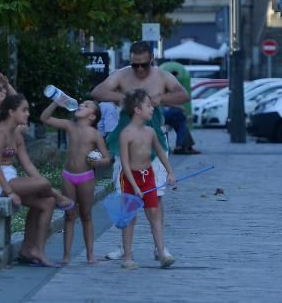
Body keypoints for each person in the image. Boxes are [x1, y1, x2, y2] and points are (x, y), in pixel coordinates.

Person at [91, 41, 189, 262]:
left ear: (151, 59)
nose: (139, 70)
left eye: (144, 65)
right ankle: (125, 247)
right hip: (126, 140)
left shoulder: (162, 76)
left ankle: (159, 248)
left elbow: (183, 95)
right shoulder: (123, 75)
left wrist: (161, 99)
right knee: (126, 196)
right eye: (135, 65)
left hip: (153, 140)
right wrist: (123, 98)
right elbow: (97, 91)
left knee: (156, 198)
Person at [0, 93, 74, 268]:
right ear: (11, 112)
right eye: (23, 110)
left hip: (10, 176)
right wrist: (9, 192)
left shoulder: (16, 135)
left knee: (47, 202)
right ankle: (59, 197)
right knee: (46, 185)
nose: (27, 114)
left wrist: (36, 181)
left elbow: (28, 165)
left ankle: (32, 250)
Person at [40, 98, 112, 265]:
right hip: (68, 176)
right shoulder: (69, 125)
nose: (81, 105)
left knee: (86, 215)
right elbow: (44, 118)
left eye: (86, 106)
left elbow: (107, 158)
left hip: (86, 177)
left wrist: (99, 162)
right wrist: (55, 103)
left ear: (92, 117)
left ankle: (90, 254)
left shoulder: (94, 134)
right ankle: (66, 255)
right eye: (81, 104)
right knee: (69, 214)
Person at [118, 89, 177, 270]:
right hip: (130, 179)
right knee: (129, 218)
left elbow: (160, 151)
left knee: (154, 213)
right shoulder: (126, 134)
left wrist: (170, 171)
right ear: (137, 110)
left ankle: (161, 253)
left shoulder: (151, 131)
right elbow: (125, 164)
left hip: (148, 176)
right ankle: (127, 256)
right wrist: (135, 186)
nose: (152, 108)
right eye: (148, 105)